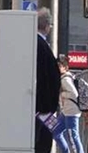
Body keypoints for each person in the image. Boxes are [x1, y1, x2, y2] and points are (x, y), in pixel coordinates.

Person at [35, 8, 62, 153]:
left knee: (49, 133)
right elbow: (45, 75)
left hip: (44, 105)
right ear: (46, 25)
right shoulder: (40, 44)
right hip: (44, 106)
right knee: (44, 138)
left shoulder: (39, 43)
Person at [58, 55, 86, 153]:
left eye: (59, 66)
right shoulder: (67, 77)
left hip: (71, 111)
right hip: (66, 111)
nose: (57, 68)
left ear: (65, 68)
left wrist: (62, 94)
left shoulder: (65, 79)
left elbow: (74, 93)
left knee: (73, 136)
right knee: (56, 132)